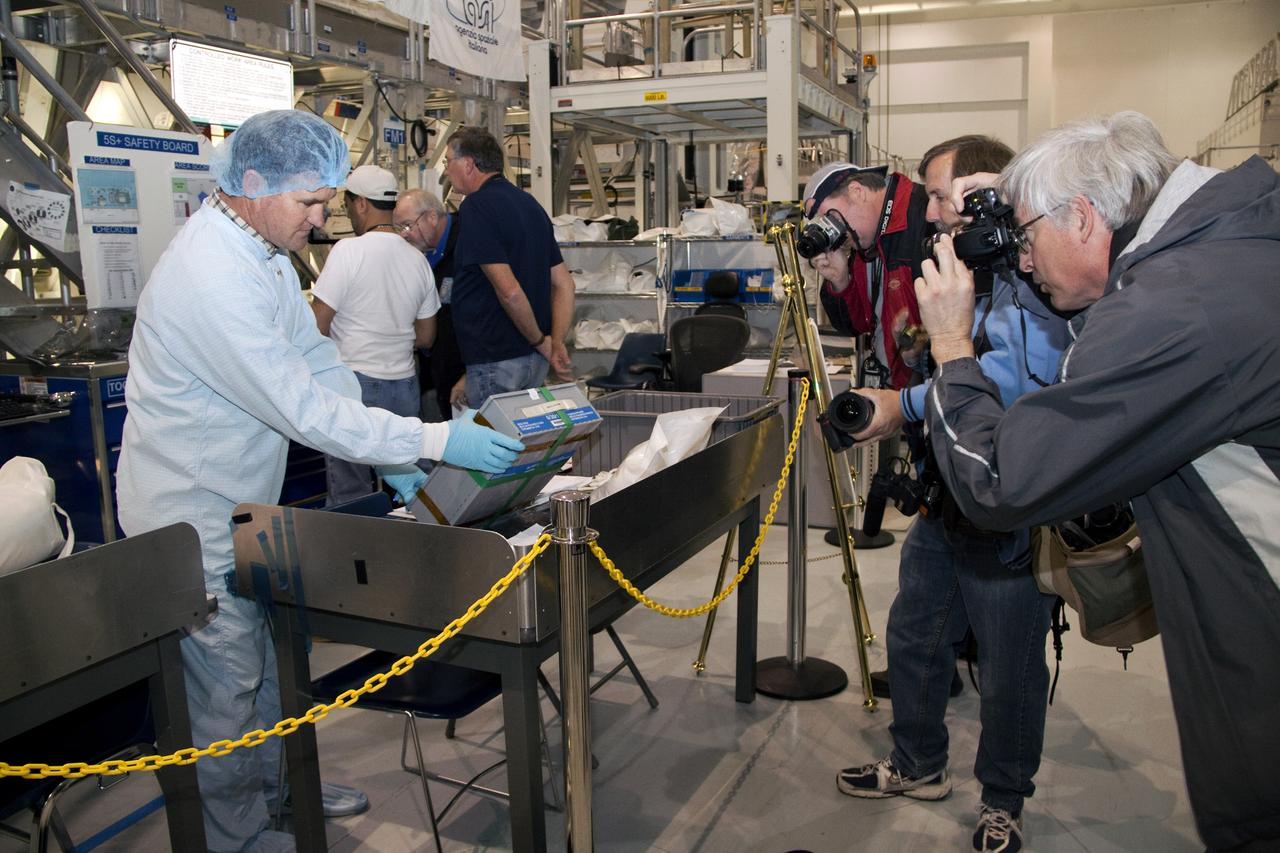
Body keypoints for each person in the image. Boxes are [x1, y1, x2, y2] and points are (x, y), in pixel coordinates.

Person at [115, 109, 524, 853]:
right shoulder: (211, 275)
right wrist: (432, 438)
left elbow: (319, 362)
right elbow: (298, 407)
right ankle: (234, 834)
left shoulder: (262, 253)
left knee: (274, 660)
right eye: (308, 203)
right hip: (191, 517)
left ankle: (281, 786)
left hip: (245, 505)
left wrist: (391, 456)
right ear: (252, 184)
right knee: (225, 683)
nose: (320, 220)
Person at [914, 111, 1280, 852]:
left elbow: (1002, 481)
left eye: (1024, 237)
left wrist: (952, 343)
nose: (1020, 262)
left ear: (1080, 216)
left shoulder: (1173, 307)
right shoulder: (1228, 246)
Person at [834, 136, 1070, 853]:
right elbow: (954, 370)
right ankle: (918, 762)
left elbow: (1006, 378)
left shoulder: (1034, 277)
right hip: (949, 492)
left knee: (1008, 667)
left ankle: (1003, 799)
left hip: (1010, 504)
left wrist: (909, 397)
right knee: (915, 635)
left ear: (984, 193)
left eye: (940, 196)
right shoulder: (967, 269)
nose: (929, 212)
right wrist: (899, 402)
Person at [311, 165, 439, 505]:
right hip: (405, 387)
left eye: (348, 204)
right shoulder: (417, 259)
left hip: (354, 385)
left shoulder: (347, 252)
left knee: (352, 489)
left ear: (361, 204)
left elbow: (317, 325)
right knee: (412, 481)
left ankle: (355, 553)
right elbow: (426, 337)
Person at [443, 126, 575, 408]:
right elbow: (565, 284)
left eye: (447, 162)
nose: (445, 171)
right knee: (524, 446)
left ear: (468, 164)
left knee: (495, 449)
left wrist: (541, 341)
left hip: (499, 361)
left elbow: (509, 291)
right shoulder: (530, 205)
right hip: (530, 362)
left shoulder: (477, 207)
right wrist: (556, 341)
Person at [807, 161, 932, 390]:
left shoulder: (925, 213)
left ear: (857, 192)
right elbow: (856, 325)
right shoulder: (866, 240)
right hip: (893, 392)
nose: (835, 232)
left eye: (830, 217)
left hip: (927, 395)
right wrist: (840, 280)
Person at [395, 188, 465, 422]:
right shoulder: (420, 256)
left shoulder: (467, 245)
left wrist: (471, 373)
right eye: (400, 228)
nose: (404, 234)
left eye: (408, 225)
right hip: (434, 374)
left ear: (432, 217)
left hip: (465, 375)